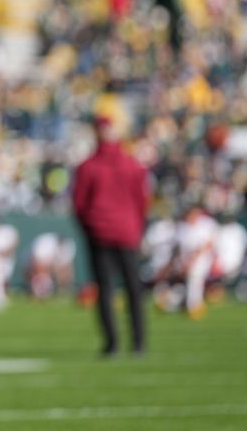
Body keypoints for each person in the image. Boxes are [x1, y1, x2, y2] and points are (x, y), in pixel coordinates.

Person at [72, 115, 151, 356]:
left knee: (105, 289)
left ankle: (112, 344)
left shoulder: (88, 167)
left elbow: (79, 204)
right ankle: (138, 343)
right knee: (133, 289)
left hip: (100, 233)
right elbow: (142, 201)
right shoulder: (132, 165)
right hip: (127, 232)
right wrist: (136, 227)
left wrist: (90, 226)